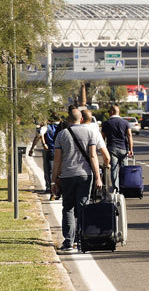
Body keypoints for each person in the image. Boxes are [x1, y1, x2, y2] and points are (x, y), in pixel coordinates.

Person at [51, 108, 103, 253]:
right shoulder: (90, 132)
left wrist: (54, 180)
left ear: (68, 120)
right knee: (83, 207)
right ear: (81, 119)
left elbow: (57, 160)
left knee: (68, 207)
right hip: (85, 175)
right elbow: (93, 156)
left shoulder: (62, 134)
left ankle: (68, 242)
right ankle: (82, 241)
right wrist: (98, 177)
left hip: (67, 175)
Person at [101, 105, 133, 191]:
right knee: (124, 169)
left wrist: (103, 151)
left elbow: (102, 138)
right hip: (124, 148)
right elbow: (129, 136)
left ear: (111, 112)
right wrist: (131, 149)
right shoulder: (125, 123)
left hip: (112, 148)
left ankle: (116, 189)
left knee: (114, 169)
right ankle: (124, 187)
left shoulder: (106, 123)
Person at [29, 113, 62, 197]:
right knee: (59, 170)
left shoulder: (46, 126)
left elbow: (39, 135)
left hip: (49, 150)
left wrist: (33, 148)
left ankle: (50, 188)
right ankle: (59, 188)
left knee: (49, 170)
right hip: (60, 151)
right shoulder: (62, 126)